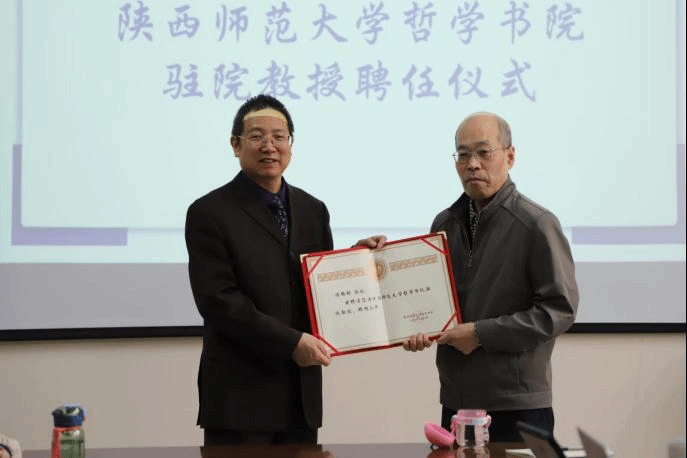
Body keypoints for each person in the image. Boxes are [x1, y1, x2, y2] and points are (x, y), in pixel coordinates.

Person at [185, 94, 383, 446]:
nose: (269, 146)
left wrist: (356, 262)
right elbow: (218, 300)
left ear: (291, 144)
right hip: (239, 399)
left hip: (300, 397)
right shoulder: (209, 212)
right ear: (235, 145)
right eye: (256, 136)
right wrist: (291, 343)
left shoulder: (313, 209)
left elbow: (320, 285)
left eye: (279, 136)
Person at [402, 112, 579, 442]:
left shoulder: (537, 224)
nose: (472, 164)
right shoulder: (444, 224)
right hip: (457, 400)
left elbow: (558, 311)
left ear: (510, 156)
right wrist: (414, 327)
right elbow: (431, 305)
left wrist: (481, 334)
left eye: (483, 152)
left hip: (517, 403)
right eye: (463, 154)